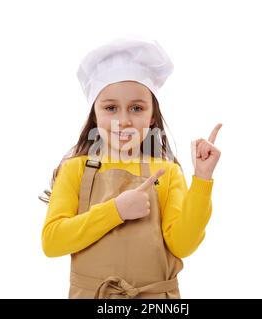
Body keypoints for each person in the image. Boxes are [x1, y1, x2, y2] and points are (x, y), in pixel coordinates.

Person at [39, 35, 222, 299]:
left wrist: (202, 179)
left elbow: (182, 245)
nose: (123, 121)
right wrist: (116, 210)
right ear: (95, 114)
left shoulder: (168, 172)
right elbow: (52, 242)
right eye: (111, 108)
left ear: (151, 116)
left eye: (136, 108)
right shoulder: (75, 170)